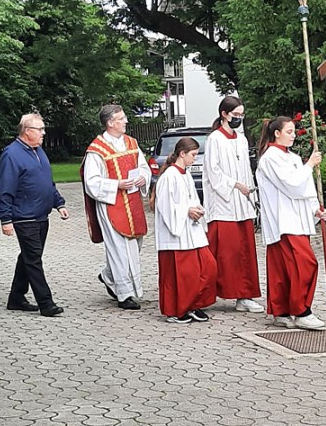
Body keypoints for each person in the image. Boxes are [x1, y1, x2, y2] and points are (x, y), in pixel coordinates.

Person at [0, 113, 69, 317]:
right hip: (24, 216)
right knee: (34, 259)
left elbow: (47, 182)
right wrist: (5, 219)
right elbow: (5, 188)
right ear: (27, 131)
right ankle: (46, 303)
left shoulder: (38, 151)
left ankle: (16, 298)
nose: (44, 133)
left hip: (41, 215)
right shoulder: (12, 154)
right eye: (40, 129)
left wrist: (58, 203)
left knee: (29, 257)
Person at [255, 116, 326, 330]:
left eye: (294, 131)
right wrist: (309, 165)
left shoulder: (293, 157)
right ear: (276, 133)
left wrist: (315, 207)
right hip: (283, 219)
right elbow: (292, 184)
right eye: (289, 131)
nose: (293, 135)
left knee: (284, 267)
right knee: (303, 263)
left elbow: (305, 187)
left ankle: (282, 309)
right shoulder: (270, 158)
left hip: (296, 218)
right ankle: (301, 310)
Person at [82, 104, 152, 310]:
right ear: (110, 123)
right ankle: (124, 294)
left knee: (135, 245)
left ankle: (108, 275)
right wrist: (116, 185)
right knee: (119, 248)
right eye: (122, 119)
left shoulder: (131, 142)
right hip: (111, 203)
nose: (126, 121)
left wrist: (142, 177)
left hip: (133, 201)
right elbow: (91, 182)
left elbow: (144, 167)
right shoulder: (97, 149)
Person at [202, 96, 265, 313]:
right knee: (224, 253)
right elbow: (213, 172)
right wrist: (235, 185)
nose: (239, 118)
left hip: (243, 203)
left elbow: (247, 169)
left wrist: (252, 196)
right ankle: (204, 294)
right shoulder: (214, 140)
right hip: (224, 204)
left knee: (245, 252)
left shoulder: (241, 139)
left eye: (241, 115)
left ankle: (244, 295)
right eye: (236, 115)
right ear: (224, 114)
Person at [153, 137, 217, 324]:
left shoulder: (185, 174)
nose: (195, 159)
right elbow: (165, 206)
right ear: (182, 154)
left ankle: (193, 304)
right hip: (177, 234)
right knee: (181, 275)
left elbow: (192, 198)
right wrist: (186, 211)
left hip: (192, 231)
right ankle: (177, 310)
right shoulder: (169, 176)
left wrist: (197, 209)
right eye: (193, 155)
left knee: (208, 267)